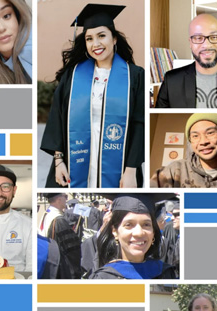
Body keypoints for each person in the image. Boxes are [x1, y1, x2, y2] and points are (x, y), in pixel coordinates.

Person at [40, 4, 143, 188]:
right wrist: (58, 161)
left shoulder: (134, 76)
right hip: (75, 160)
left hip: (119, 164)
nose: (95, 44)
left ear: (114, 39)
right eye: (89, 38)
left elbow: (139, 123)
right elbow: (57, 117)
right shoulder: (73, 75)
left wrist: (131, 170)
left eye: (101, 36)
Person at [155, 13, 217, 108]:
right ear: (190, 43)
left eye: (214, 37)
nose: (207, 45)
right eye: (198, 38)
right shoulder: (171, 81)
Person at [89, 195, 177, 279]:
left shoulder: (165, 273)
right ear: (115, 231)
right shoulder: (102, 278)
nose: (139, 233)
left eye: (146, 225)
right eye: (129, 225)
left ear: (153, 232)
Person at [151, 113, 217, 188]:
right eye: (195, 136)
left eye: (210, 133)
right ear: (190, 141)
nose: (203, 142)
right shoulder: (174, 170)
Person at [38, 193, 81, 278]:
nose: (66, 199)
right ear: (59, 199)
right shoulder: (59, 220)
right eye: (65, 196)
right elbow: (72, 250)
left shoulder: (46, 213)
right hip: (61, 267)